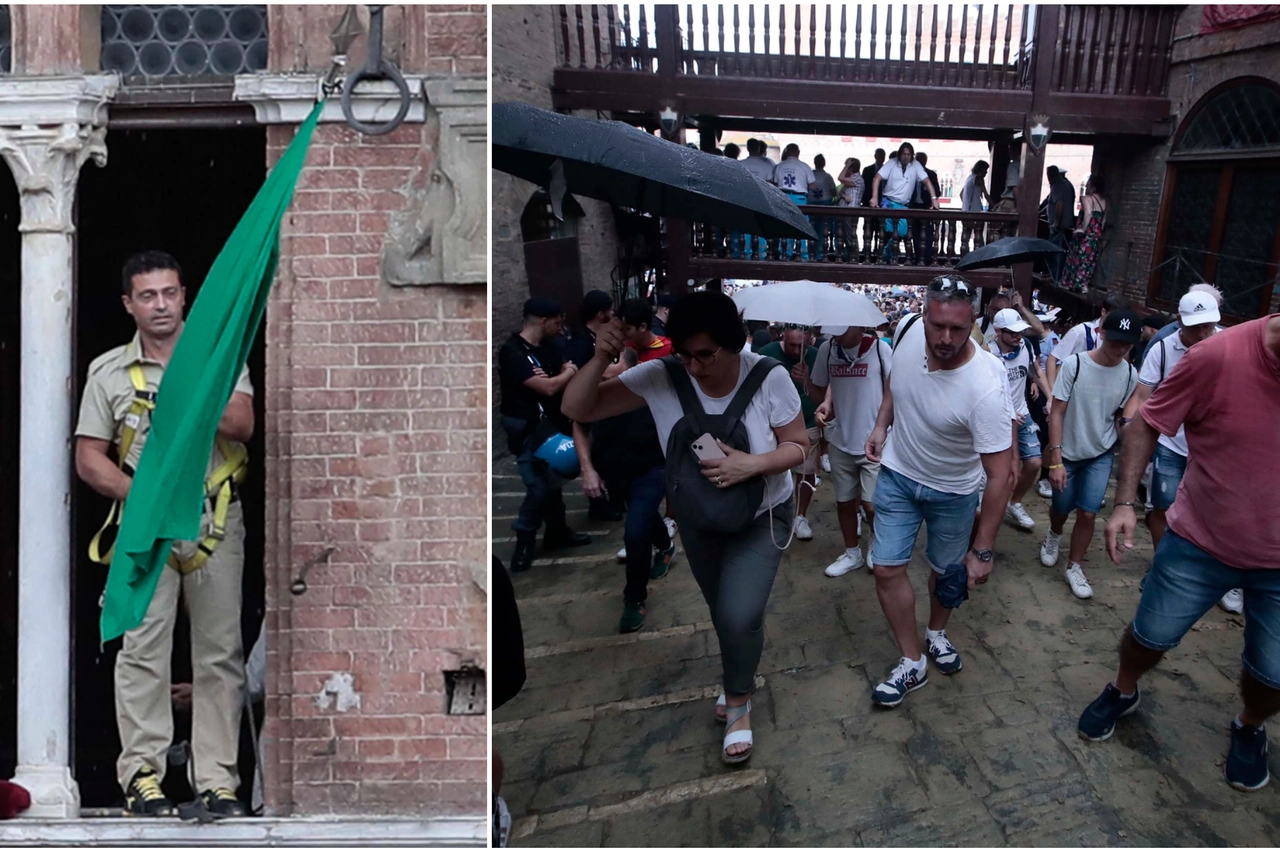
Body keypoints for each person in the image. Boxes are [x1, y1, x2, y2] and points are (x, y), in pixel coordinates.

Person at [561, 291, 808, 764]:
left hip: (761, 517)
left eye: (705, 355)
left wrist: (752, 465)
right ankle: (737, 670)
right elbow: (580, 408)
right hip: (699, 521)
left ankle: (738, 700)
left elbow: (800, 448)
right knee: (723, 612)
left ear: (733, 344)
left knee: (740, 614)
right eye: (684, 354)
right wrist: (599, 357)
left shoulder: (768, 376)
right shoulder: (662, 375)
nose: (694, 367)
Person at [75, 251, 253, 817]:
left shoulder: (217, 361)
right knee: (141, 650)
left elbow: (245, 425)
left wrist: (190, 390)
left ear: (185, 297)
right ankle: (142, 776)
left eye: (170, 293)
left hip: (213, 519)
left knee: (219, 653)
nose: (161, 305)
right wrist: (140, 498)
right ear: (129, 304)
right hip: (144, 527)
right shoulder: (107, 372)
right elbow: (88, 459)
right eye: (148, 296)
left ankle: (217, 779)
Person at [1081, 313, 1280, 793]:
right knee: (1149, 636)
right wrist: (1125, 502)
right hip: (1199, 542)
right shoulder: (1216, 356)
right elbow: (1148, 422)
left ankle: (1250, 724)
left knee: (1273, 674)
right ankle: (1123, 688)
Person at [864, 275, 1014, 707]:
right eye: (938, 326)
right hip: (897, 473)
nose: (946, 338)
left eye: (958, 329)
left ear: (973, 326)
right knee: (887, 569)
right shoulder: (908, 329)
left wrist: (983, 549)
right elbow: (897, 381)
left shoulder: (985, 385)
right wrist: (880, 424)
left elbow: (1001, 475)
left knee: (946, 575)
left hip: (953, 490)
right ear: (924, 316)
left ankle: (937, 632)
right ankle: (911, 662)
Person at [1121, 292, 1236, 611]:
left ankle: (1225, 577)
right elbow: (1143, 394)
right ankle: (1164, 564)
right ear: (1179, 321)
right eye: (1196, 327)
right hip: (1171, 443)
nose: (1203, 334)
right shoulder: (1163, 347)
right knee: (1163, 508)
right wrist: (1130, 424)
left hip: (1215, 446)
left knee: (1219, 511)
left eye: (1209, 326)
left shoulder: (1231, 344)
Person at [1040, 308, 1141, 599]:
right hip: (1069, 450)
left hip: (1100, 452)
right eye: (1115, 341)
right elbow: (1056, 412)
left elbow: (1121, 414)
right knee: (1061, 507)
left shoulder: (1130, 374)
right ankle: (1054, 535)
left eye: (1127, 344)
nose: (1120, 349)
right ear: (1100, 334)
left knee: (1088, 511)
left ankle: (1074, 564)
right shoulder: (1075, 365)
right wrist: (1056, 460)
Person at [498, 297, 591, 573]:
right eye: (557, 322)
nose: (561, 328)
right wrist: (564, 373)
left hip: (550, 423)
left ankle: (557, 529)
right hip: (526, 428)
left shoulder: (550, 347)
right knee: (538, 484)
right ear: (543, 321)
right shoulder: (512, 352)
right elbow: (550, 387)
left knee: (555, 473)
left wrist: (558, 376)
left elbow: (556, 382)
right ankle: (524, 538)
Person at [808, 324, 891, 576]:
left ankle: (877, 545)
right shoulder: (828, 349)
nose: (837, 336)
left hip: (875, 443)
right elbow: (818, 389)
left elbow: (894, 389)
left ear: (858, 326)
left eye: (842, 331)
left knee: (871, 505)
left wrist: (883, 426)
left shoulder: (879, 349)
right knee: (844, 502)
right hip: (840, 440)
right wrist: (824, 404)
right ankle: (852, 552)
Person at [988, 309, 1052, 531]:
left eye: (1020, 332)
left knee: (1033, 463)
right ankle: (991, 508)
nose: (1018, 336)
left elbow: (1036, 372)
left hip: (1022, 413)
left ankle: (1014, 502)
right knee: (1002, 470)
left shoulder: (1026, 346)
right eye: (1013, 333)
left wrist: (1050, 397)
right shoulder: (988, 354)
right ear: (997, 331)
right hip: (998, 418)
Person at [759, 328, 821, 540]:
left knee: (806, 470)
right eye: (792, 345)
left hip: (807, 420)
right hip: (772, 423)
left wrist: (805, 379)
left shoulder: (815, 355)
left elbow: (822, 393)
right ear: (783, 336)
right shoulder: (766, 352)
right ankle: (772, 511)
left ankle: (800, 515)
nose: (796, 350)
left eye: (801, 346)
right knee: (772, 468)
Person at [870, 142, 939, 265]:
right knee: (888, 232)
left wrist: (934, 199)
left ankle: (886, 253)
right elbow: (877, 178)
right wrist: (874, 197)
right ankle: (887, 259)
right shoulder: (891, 163)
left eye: (908, 154)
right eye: (903, 154)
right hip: (888, 202)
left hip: (903, 205)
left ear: (912, 155)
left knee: (901, 231)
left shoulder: (916, 165)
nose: (906, 157)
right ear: (900, 154)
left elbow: (927, 181)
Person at [1045, 292, 1128, 391]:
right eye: (1114, 315)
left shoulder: (1116, 340)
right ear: (1103, 312)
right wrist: (1051, 395)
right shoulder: (1081, 331)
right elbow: (1052, 359)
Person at [1061, 175, 1108, 293]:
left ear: (1092, 185)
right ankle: (1083, 285)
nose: (1086, 186)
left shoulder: (1087, 199)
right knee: (1089, 261)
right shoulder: (1103, 201)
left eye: (1088, 183)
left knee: (1075, 258)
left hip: (1084, 236)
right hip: (1095, 236)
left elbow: (1088, 213)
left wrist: (1082, 229)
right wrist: (1098, 232)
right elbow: (1103, 220)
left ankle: (1070, 283)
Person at [774, 143, 817, 261]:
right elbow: (813, 185)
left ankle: (784, 254)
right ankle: (803, 256)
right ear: (798, 152)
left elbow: (776, 183)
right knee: (802, 226)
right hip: (800, 199)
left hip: (783, 197)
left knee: (785, 225)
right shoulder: (804, 166)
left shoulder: (780, 166)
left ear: (787, 152)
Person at [740, 139, 777, 259]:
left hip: (744, 199)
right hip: (762, 200)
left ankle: (746, 254)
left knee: (746, 227)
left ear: (748, 148)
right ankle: (761, 255)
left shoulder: (740, 164)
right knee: (761, 227)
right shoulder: (766, 165)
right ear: (759, 149)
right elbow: (771, 185)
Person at [1044, 166, 1077, 281]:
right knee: (1060, 252)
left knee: (1055, 252)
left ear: (1050, 175)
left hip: (1059, 227)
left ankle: (1055, 277)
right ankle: (1057, 276)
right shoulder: (1068, 185)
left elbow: (1059, 204)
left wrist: (1056, 223)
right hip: (1067, 225)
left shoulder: (1057, 186)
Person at [909, 152, 941, 266]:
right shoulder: (911, 173)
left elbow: (937, 191)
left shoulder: (931, 174)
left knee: (927, 234)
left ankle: (927, 257)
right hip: (913, 207)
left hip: (926, 207)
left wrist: (930, 196)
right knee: (915, 234)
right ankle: (917, 257)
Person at [620, 297, 674, 362]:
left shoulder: (668, 350)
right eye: (621, 328)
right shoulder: (623, 349)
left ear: (643, 327)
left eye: (627, 329)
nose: (623, 333)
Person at [809, 154, 839, 262]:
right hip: (825, 205)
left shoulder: (811, 175)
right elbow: (834, 192)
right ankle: (820, 254)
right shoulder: (828, 177)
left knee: (811, 230)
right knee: (823, 231)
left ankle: (810, 253)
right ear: (824, 163)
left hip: (811, 204)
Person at [991, 140, 1022, 240]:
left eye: (1011, 150)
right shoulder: (1024, 166)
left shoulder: (1013, 166)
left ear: (1015, 151)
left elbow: (1015, 187)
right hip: (1019, 202)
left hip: (1010, 203)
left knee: (995, 229)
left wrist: (1018, 208)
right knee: (1010, 233)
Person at [959, 160, 990, 254]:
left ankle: (964, 257)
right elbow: (986, 195)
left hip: (965, 212)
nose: (986, 173)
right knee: (978, 238)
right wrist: (995, 205)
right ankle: (980, 257)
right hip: (975, 212)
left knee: (966, 238)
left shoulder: (969, 178)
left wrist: (967, 205)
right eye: (985, 170)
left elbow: (961, 194)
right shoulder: (979, 179)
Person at [836, 157, 864, 262]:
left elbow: (840, 178)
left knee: (850, 236)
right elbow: (840, 193)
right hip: (845, 211)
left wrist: (847, 165)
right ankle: (849, 257)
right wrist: (843, 196)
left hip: (850, 211)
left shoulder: (857, 178)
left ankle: (854, 258)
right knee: (845, 236)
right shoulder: (850, 181)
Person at [860, 148, 886, 261]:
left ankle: (879, 252)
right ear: (875, 156)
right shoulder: (868, 170)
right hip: (869, 204)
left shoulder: (887, 170)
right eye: (879, 155)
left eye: (883, 156)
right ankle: (867, 251)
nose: (881, 158)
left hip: (883, 205)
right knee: (868, 230)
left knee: (881, 231)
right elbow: (864, 188)